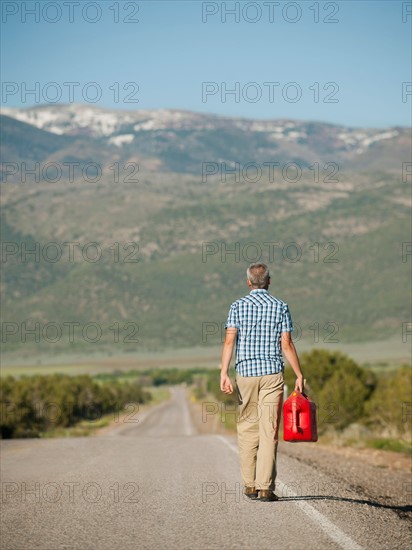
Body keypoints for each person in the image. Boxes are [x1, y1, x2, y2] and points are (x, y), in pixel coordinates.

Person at [220, 262, 304, 502]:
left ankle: (249, 485)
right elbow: (286, 344)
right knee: (269, 431)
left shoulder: (237, 306)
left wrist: (224, 373)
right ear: (269, 281)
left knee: (247, 428)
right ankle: (265, 487)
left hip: (245, 374)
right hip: (272, 375)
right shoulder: (280, 306)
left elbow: (229, 342)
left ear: (248, 282)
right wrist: (299, 374)